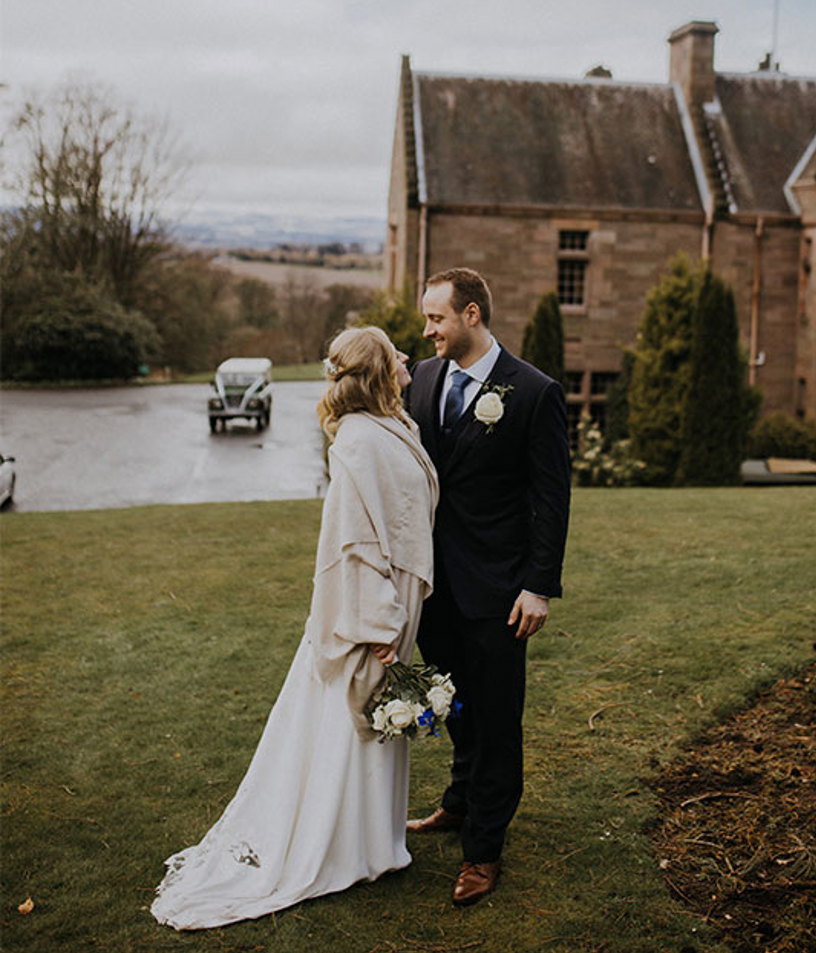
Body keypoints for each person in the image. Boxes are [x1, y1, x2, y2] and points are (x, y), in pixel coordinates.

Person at [150, 326, 438, 929]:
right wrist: (379, 621)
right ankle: (342, 850)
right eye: (395, 352)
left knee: (370, 733)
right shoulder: (358, 441)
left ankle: (374, 843)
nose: (408, 356)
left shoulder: (392, 427)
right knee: (344, 730)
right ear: (380, 370)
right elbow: (354, 547)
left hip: (394, 610)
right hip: (367, 619)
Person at [405, 267, 570, 906]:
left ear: (472, 315)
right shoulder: (421, 378)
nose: (428, 331)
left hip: (501, 592)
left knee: (498, 719)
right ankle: (457, 800)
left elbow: (551, 499)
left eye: (437, 318)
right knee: (454, 708)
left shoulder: (532, 392)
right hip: (433, 588)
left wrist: (539, 586)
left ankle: (483, 850)